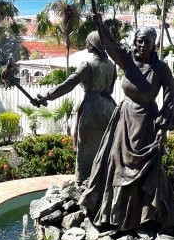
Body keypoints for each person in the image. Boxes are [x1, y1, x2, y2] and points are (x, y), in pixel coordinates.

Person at [80, 16, 174, 233]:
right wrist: (100, 24)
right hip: (124, 119)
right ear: (135, 42)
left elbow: (171, 97)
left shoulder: (161, 69)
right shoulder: (127, 61)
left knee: (145, 170)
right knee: (115, 164)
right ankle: (112, 214)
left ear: (154, 44)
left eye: (147, 41)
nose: (142, 45)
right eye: (139, 41)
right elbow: (111, 45)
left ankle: (143, 217)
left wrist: (163, 127)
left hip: (146, 122)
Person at [31, 31, 116, 184]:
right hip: (109, 109)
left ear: (93, 43)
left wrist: (47, 96)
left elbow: (69, 84)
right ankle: (104, 181)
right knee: (105, 148)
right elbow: (110, 89)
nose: (86, 43)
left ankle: (83, 183)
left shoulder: (88, 65)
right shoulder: (111, 65)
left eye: (87, 41)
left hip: (92, 109)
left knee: (86, 150)